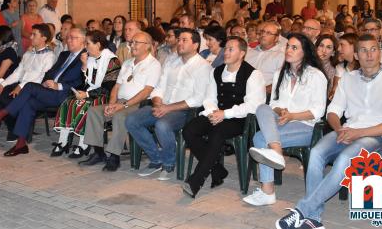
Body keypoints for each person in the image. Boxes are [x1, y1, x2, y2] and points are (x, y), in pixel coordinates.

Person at [275, 34, 382, 229]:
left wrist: (359, 132)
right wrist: (339, 130)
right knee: (317, 152)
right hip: (346, 131)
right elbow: (333, 111)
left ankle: (303, 210)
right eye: (363, 50)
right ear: (356, 54)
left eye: (373, 49)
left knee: (346, 159)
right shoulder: (348, 79)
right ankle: (314, 218)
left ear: (380, 52)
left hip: (376, 137)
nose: (369, 54)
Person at [243, 33, 327, 206]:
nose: (288, 50)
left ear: (305, 52)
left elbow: (318, 111)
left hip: (306, 126)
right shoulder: (280, 73)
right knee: (262, 107)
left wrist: (292, 116)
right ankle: (276, 151)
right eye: (288, 46)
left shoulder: (316, 76)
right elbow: (274, 103)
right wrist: (282, 112)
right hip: (281, 121)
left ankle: (268, 191)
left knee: (259, 138)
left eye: (294, 47)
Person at [0, 28, 86, 157]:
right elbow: (50, 72)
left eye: (73, 38)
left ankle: (0, 115)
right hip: (49, 90)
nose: (69, 40)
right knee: (28, 103)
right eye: (68, 37)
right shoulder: (64, 55)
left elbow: (81, 81)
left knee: (29, 87)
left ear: (83, 41)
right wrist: (47, 81)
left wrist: (58, 85)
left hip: (64, 94)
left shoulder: (85, 57)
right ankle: (21, 144)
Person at [182, 36, 266, 198]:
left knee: (217, 133)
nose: (225, 52)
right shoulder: (217, 71)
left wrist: (225, 114)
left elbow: (254, 105)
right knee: (190, 130)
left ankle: (196, 181)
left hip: (239, 119)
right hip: (217, 114)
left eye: (230, 49)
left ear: (242, 53)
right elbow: (209, 98)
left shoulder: (253, 74)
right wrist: (214, 112)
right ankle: (217, 169)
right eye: (225, 48)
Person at [125, 29, 211, 181]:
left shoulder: (203, 66)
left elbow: (198, 99)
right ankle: (156, 158)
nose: (179, 43)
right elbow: (159, 87)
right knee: (132, 120)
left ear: (196, 44)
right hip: (162, 106)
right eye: (179, 39)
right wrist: (158, 104)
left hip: (184, 111)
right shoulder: (172, 61)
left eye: (184, 40)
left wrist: (167, 108)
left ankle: (168, 163)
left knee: (162, 125)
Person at [80, 31, 161, 171]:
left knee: (119, 115)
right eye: (132, 42)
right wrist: (112, 104)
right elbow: (116, 86)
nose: (132, 45)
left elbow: (146, 92)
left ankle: (114, 156)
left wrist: (122, 105)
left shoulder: (154, 65)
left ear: (147, 46)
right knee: (94, 111)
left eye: (136, 43)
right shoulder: (128, 63)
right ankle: (98, 153)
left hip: (139, 104)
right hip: (120, 102)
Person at [53, 30, 121, 158]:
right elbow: (86, 82)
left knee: (83, 105)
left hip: (106, 96)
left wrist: (86, 95)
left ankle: (84, 143)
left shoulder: (112, 60)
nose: (85, 46)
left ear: (98, 45)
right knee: (69, 102)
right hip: (91, 92)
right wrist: (84, 65)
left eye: (88, 43)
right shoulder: (89, 58)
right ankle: (63, 141)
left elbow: (109, 87)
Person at [0, 23, 54, 121]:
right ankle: (4, 124)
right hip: (19, 85)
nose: (30, 37)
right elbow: (17, 73)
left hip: (33, 89)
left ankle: (14, 129)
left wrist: (21, 86)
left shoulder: (49, 56)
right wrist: (2, 85)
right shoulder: (28, 53)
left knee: (6, 99)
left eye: (34, 35)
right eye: (31, 34)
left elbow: (41, 78)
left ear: (44, 38)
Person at [245, 21, 285, 95]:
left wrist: (261, 91)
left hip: (265, 96)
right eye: (263, 31)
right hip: (242, 92)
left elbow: (282, 81)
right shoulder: (248, 52)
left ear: (276, 38)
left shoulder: (280, 56)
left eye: (268, 33)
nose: (263, 34)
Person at [332, 33, 359, 99]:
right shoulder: (340, 67)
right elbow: (334, 93)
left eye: (342, 45)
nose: (338, 49)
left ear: (353, 46)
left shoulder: (366, 67)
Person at [315, 34, 338, 100]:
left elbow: (327, 96)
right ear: (316, 48)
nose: (324, 50)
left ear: (333, 52)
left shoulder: (334, 71)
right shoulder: (308, 64)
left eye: (328, 47)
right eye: (321, 46)